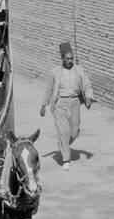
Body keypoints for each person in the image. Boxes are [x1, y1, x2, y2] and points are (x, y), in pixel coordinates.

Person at [40, 41, 93, 170]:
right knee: (63, 131)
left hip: (75, 102)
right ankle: (66, 159)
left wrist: (88, 97)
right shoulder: (55, 72)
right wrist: (44, 105)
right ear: (62, 58)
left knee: (74, 132)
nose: (70, 61)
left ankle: (63, 145)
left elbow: (87, 84)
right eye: (67, 58)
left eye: (72, 58)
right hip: (60, 104)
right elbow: (49, 89)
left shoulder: (79, 70)